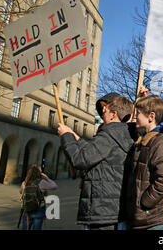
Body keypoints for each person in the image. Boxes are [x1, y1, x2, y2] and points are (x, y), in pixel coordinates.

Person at [57, 94, 134, 230]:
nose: (102, 113)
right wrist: (76, 138)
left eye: (105, 110)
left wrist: (66, 136)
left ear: (113, 114)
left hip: (102, 212)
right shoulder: (121, 134)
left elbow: (79, 159)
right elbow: (94, 153)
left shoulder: (108, 135)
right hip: (113, 211)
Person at [125, 95, 163, 230]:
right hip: (142, 219)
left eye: (138, 114)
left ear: (151, 116)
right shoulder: (143, 139)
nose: (135, 117)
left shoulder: (158, 141)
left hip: (152, 220)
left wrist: (145, 202)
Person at [20, 164, 57, 230]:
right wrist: (46, 178)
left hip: (27, 209)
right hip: (38, 209)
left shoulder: (24, 183)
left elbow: (21, 192)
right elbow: (54, 186)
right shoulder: (41, 183)